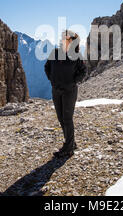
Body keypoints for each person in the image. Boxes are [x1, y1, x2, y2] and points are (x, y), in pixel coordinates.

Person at [44, 29, 87, 158]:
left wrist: (74, 82)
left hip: (69, 91)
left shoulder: (77, 56)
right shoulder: (55, 53)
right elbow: (47, 67)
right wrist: (52, 80)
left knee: (67, 119)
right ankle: (71, 142)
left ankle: (68, 148)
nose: (64, 40)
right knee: (61, 118)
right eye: (63, 38)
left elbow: (83, 71)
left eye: (67, 38)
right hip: (56, 90)